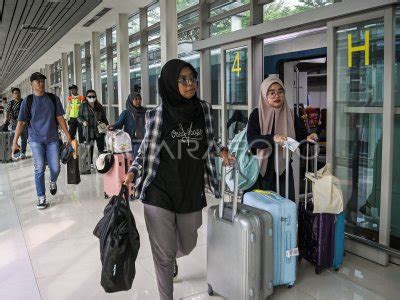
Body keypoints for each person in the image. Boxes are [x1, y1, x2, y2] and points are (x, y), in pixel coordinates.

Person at [123, 59, 235, 300]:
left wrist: (221, 151)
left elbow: (209, 139)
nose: (190, 83)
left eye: (192, 78)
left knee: (188, 243)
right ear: (170, 84)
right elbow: (144, 150)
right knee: (162, 255)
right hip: (159, 189)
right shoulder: (157, 115)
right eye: (182, 80)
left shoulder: (203, 109)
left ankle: (172, 256)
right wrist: (133, 171)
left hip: (191, 187)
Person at [247, 75, 318, 201]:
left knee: (285, 207)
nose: (277, 96)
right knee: (263, 209)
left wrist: (308, 138)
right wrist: (273, 138)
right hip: (260, 170)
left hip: (283, 169)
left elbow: (300, 137)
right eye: (272, 93)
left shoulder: (290, 114)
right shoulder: (257, 114)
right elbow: (252, 140)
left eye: (280, 92)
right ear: (264, 95)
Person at [12, 72, 72, 209]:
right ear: (32, 84)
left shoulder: (53, 98)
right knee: (39, 168)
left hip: (52, 139)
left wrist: (68, 134)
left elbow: (60, 118)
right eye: (38, 81)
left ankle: (52, 180)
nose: (41, 83)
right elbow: (21, 122)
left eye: (43, 81)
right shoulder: (28, 101)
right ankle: (41, 197)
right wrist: (15, 141)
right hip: (35, 139)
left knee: (55, 168)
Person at [107, 92, 146, 157]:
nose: (138, 101)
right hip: (131, 141)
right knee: (135, 159)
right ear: (131, 101)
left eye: (139, 99)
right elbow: (119, 124)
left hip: (144, 139)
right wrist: (112, 126)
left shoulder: (145, 111)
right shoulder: (126, 113)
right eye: (136, 99)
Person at [77, 89, 108, 165]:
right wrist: (83, 121)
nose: (92, 98)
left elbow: (104, 118)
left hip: (99, 131)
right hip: (88, 131)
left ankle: (101, 163)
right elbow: (79, 117)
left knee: (101, 148)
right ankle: (89, 164)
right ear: (86, 97)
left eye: (93, 96)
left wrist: (107, 126)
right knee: (89, 148)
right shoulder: (83, 106)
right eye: (90, 96)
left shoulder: (99, 106)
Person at [2, 88, 28, 158]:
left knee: (24, 139)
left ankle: (23, 153)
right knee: (13, 139)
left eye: (18, 93)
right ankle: (16, 152)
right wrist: (5, 121)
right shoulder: (10, 103)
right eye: (15, 93)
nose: (17, 94)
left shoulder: (24, 102)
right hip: (13, 124)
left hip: (23, 124)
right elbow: (6, 112)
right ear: (13, 95)